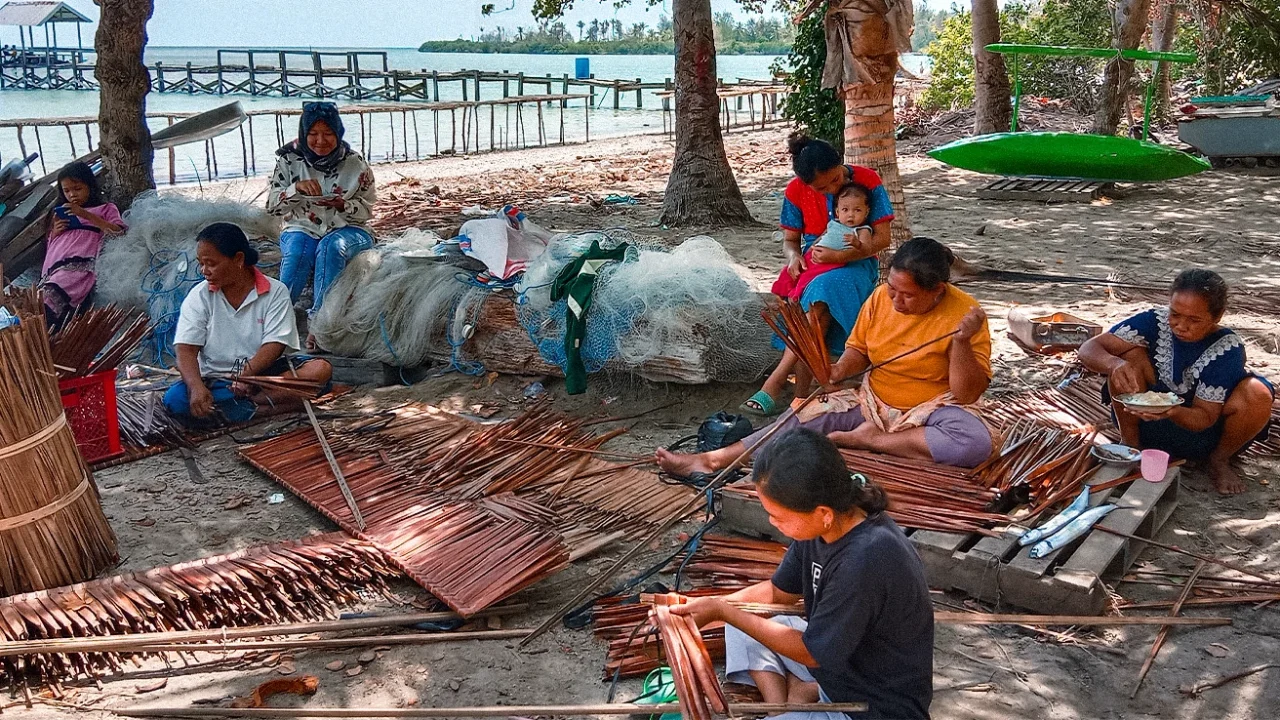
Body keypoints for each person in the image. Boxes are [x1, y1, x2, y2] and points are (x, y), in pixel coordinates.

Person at [659, 237, 994, 476]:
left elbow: (966, 394)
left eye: (907, 295)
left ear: (937, 291)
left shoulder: (966, 314)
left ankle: (873, 441)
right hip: (873, 403)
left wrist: (962, 344)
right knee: (798, 420)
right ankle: (714, 460)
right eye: (892, 288)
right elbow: (859, 350)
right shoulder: (880, 299)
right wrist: (839, 369)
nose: (895, 301)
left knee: (973, 444)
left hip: (932, 411)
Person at [671, 428, 933, 720]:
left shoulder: (866, 559)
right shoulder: (823, 525)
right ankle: (780, 707)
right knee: (740, 620)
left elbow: (811, 653)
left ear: (823, 513)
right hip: (838, 668)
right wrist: (710, 609)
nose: (773, 523)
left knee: (736, 617)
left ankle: (802, 699)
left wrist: (723, 611)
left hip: (872, 706)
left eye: (780, 517)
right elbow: (777, 592)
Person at [1078, 269, 1272, 495]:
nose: (1180, 325)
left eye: (1194, 320)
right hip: (1142, 423)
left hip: (1202, 439)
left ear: (1216, 317)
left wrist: (1171, 411)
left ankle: (1219, 461)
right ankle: (1130, 443)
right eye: (1175, 314)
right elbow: (1089, 348)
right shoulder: (1154, 321)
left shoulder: (1227, 349)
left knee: (1257, 392)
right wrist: (1114, 364)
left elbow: (1205, 417)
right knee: (1128, 354)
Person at [741, 135, 894, 418]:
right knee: (816, 311)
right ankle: (800, 397)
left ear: (840, 164)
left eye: (835, 180)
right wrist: (794, 257)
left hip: (857, 263)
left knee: (821, 292)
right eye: (821, 188)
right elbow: (790, 242)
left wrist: (841, 257)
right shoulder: (795, 191)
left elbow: (882, 239)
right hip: (814, 261)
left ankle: (776, 383)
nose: (833, 190)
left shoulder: (867, 180)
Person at [164, 222, 333, 425]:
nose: (204, 271)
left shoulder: (275, 291)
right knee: (175, 400)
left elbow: (275, 345)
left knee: (320, 369)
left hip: (265, 375)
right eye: (201, 263)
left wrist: (245, 376)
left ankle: (245, 407)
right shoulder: (199, 296)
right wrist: (196, 387)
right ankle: (273, 405)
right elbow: (186, 350)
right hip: (218, 380)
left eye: (211, 263)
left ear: (238, 259)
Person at [267, 101, 376, 350]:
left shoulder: (355, 164)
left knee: (330, 247)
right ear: (304, 134)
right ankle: (275, 318)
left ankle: (320, 325)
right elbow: (273, 207)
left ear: (338, 134)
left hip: (350, 229)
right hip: (301, 227)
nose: (320, 141)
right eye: (313, 134)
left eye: (328, 134)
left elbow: (367, 210)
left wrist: (343, 206)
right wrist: (295, 189)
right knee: (298, 251)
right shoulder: (289, 161)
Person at [39, 162, 124, 328]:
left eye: (77, 189)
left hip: (78, 264)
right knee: (42, 298)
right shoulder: (58, 211)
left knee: (54, 294)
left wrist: (84, 214)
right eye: (67, 191)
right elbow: (51, 245)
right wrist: (55, 232)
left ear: (90, 186)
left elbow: (118, 232)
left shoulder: (106, 208)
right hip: (54, 265)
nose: (72, 195)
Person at [771, 183, 874, 303]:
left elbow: (867, 249)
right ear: (837, 211)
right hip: (814, 255)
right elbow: (821, 238)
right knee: (790, 271)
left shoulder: (862, 230)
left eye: (857, 210)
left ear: (866, 212)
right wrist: (806, 254)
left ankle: (795, 296)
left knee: (809, 277)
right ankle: (781, 294)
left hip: (832, 262)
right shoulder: (833, 224)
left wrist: (857, 243)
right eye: (845, 210)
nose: (850, 214)